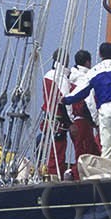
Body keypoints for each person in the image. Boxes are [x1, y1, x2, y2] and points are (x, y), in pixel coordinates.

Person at [62, 42, 111, 160]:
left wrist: (65, 100)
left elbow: (81, 92)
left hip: (104, 110)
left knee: (106, 148)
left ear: (100, 54)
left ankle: (106, 172)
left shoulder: (94, 71)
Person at [40, 50, 71, 178]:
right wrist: (70, 122)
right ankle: (54, 176)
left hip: (48, 119)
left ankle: (48, 172)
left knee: (49, 150)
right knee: (57, 152)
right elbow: (65, 101)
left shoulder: (48, 75)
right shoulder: (60, 78)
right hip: (58, 121)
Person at [66, 50, 100, 166]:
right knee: (85, 154)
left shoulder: (70, 77)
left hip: (76, 121)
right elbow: (89, 101)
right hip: (83, 122)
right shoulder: (84, 79)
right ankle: (79, 176)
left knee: (89, 151)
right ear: (87, 62)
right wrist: (97, 121)